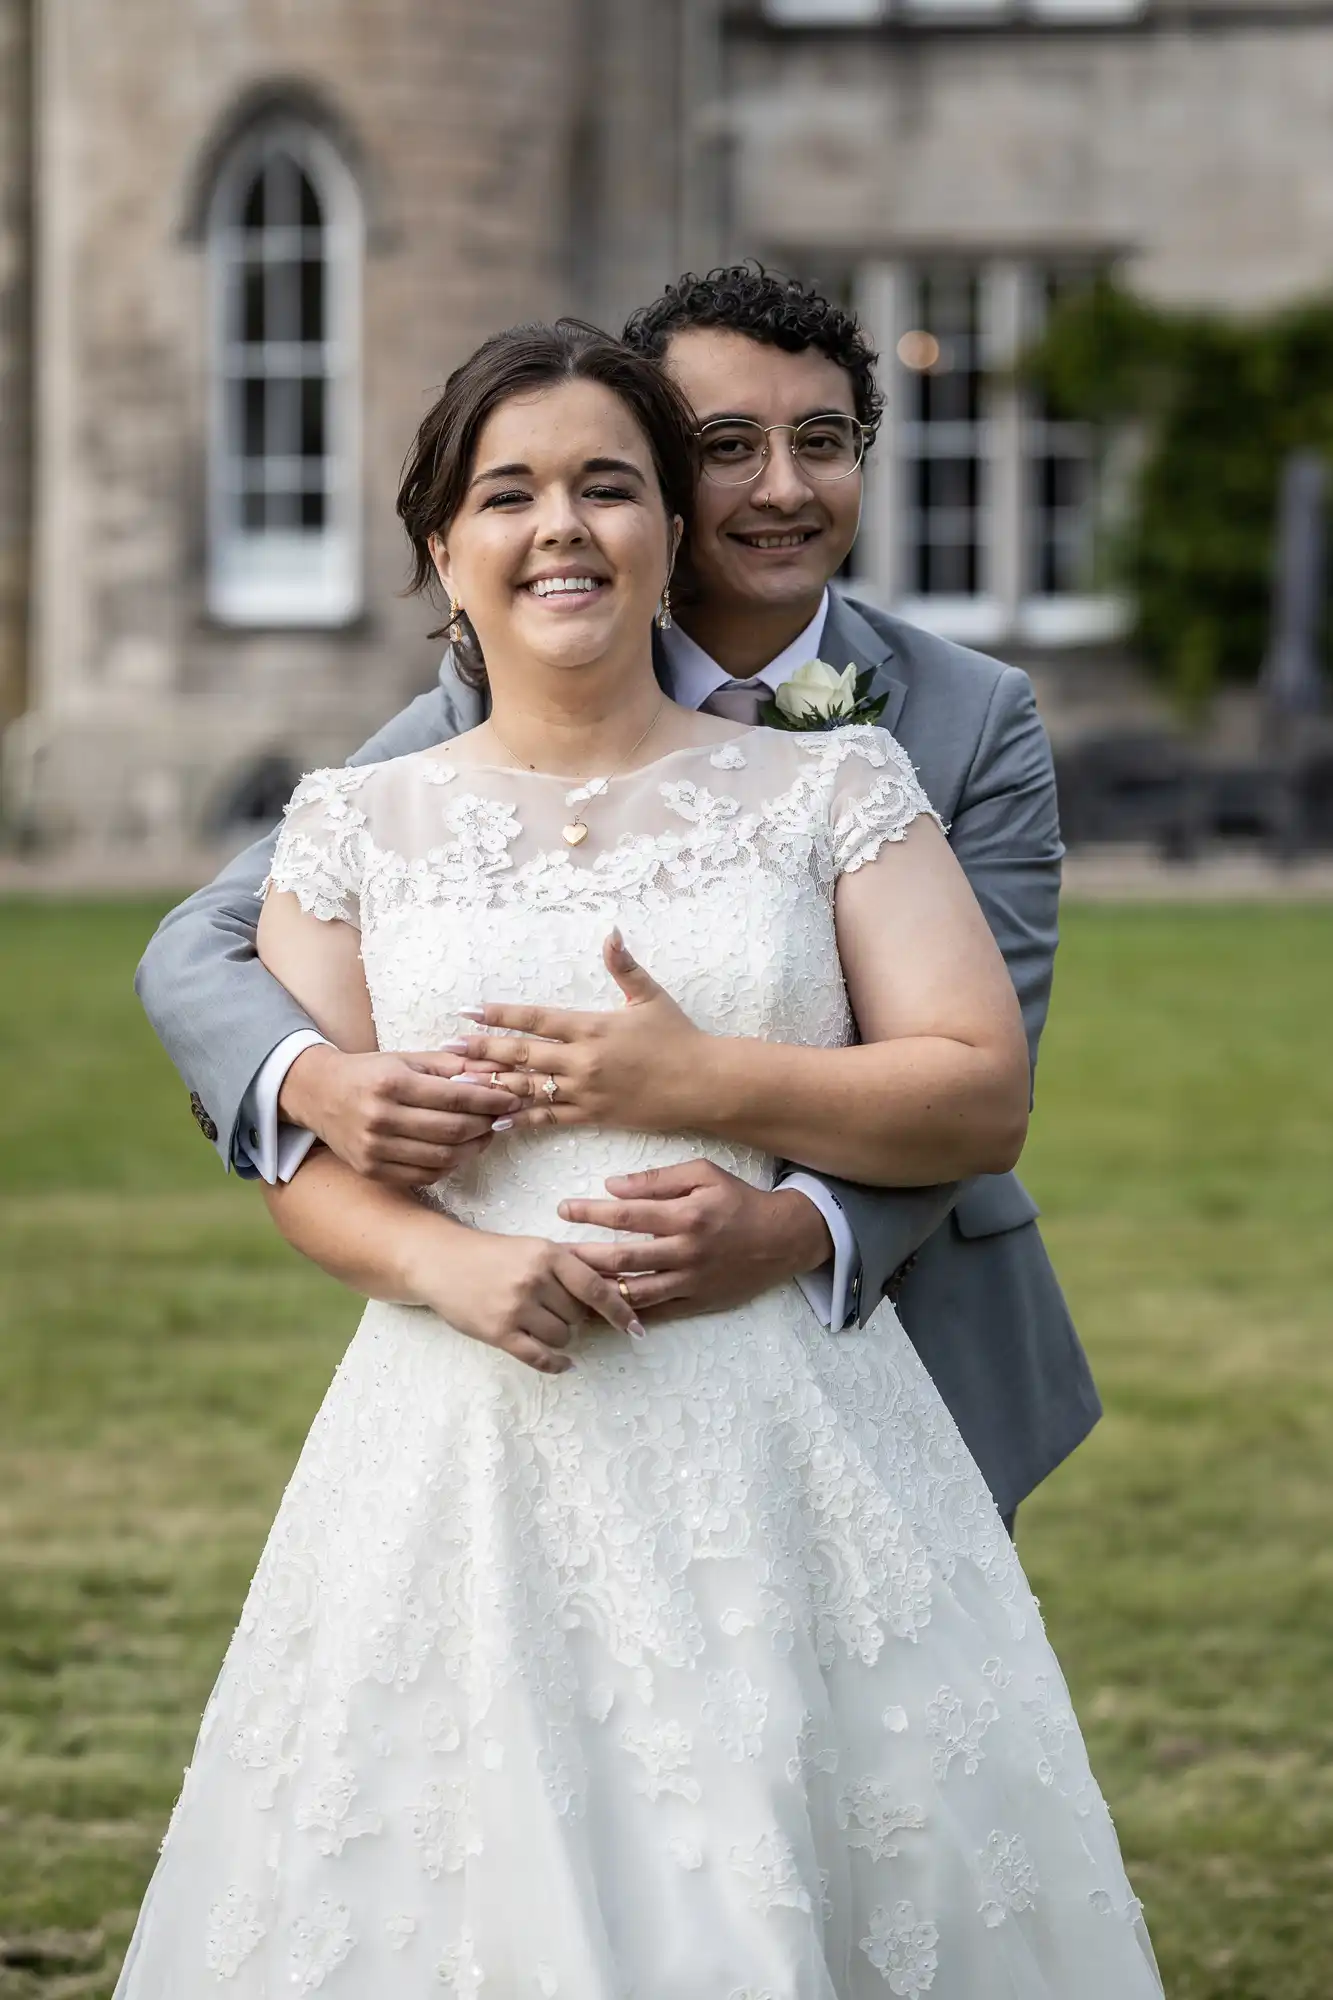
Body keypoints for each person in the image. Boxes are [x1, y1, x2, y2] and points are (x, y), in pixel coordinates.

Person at [114, 319, 1160, 1998]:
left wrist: (704, 1094)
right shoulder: (356, 820)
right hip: (464, 1423)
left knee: (801, 1841)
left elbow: (980, 1089)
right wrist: (429, 1237)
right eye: (507, 493)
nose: (561, 527)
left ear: (660, 534)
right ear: (435, 549)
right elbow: (291, 1149)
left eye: (607, 486)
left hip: (778, 1421)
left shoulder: (844, 781)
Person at [135, 266, 1100, 1534]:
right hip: (523, 1369)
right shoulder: (481, 708)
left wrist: (788, 1225)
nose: (781, 488)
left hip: (889, 1325)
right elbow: (207, 938)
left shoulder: (964, 720)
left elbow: (981, 1071)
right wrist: (314, 1082)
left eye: (822, 442)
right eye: (726, 446)